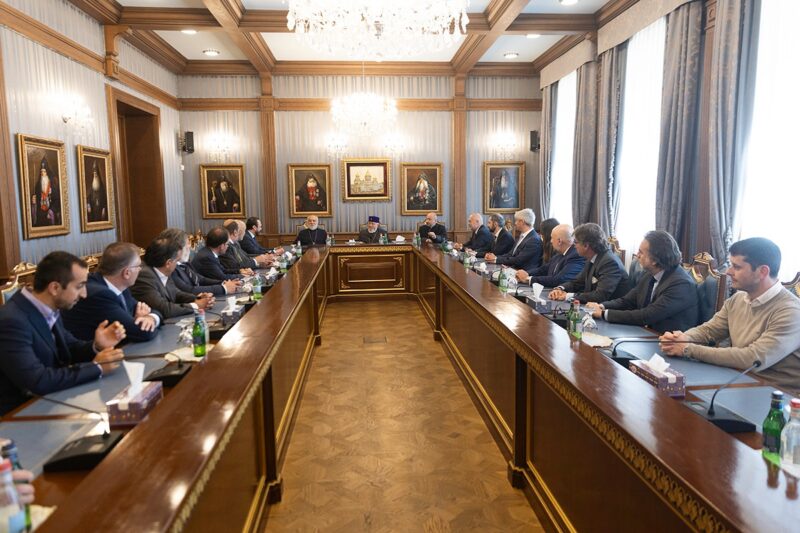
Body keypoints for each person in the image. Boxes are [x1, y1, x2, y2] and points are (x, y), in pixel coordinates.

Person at [660, 238, 800, 395]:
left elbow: (753, 358)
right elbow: (709, 330)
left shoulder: (791, 311)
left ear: (763, 272)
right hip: (737, 381)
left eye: (736, 267)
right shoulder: (738, 298)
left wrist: (687, 349)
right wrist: (682, 338)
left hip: (777, 395)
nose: (728, 272)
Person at [0, 252, 125, 415]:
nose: (84, 294)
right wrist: (96, 368)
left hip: (52, 400)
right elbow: (38, 380)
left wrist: (96, 346)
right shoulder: (11, 321)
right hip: (19, 414)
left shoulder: (47, 307)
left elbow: (69, 348)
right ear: (55, 288)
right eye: (79, 286)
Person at [585, 231, 698, 333]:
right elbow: (627, 301)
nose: (637, 255)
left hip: (668, 341)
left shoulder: (681, 284)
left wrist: (604, 314)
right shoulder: (649, 274)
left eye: (641, 252)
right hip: (646, 333)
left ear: (654, 260)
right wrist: (601, 306)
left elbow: (648, 315)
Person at [62, 242, 162, 342]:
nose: (140, 269)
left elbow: (152, 311)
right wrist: (139, 321)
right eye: (138, 266)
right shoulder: (98, 295)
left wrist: (151, 318)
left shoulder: (120, 287)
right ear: (127, 273)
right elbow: (143, 333)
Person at [132, 237, 215, 319]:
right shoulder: (144, 276)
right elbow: (164, 309)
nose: (177, 264)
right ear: (168, 263)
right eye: (177, 261)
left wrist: (199, 298)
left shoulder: (163, 270)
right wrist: (196, 305)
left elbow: (176, 293)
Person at [549, 223, 631, 303]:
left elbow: (600, 295)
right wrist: (560, 289)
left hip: (610, 309)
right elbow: (577, 282)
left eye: (576, 242)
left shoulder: (609, 263)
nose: (574, 246)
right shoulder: (592, 257)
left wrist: (568, 296)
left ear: (586, 246)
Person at [161, 228, 241, 297]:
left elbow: (200, 279)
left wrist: (223, 283)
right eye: (187, 244)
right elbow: (188, 290)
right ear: (176, 248)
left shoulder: (184, 264)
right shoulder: (169, 268)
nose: (189, 246)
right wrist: (224, 288)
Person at [516, 224, 585, 288]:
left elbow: (560, 279)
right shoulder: (560, 254)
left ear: (559, 241)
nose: (551, 241)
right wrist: (526, 273)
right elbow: (543, 270)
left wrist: (528, 279)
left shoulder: (576, 256)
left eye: (552, 238)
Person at [32, 157, 61, 227]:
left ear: (47, 173)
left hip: (49, 213)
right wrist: (33, 201)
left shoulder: (52, 185)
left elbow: (57, 200)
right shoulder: (38, 185)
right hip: (40, 215)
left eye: (44, 172)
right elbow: (36, 201)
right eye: (41, 172)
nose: (42, 173)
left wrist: (51, 211)